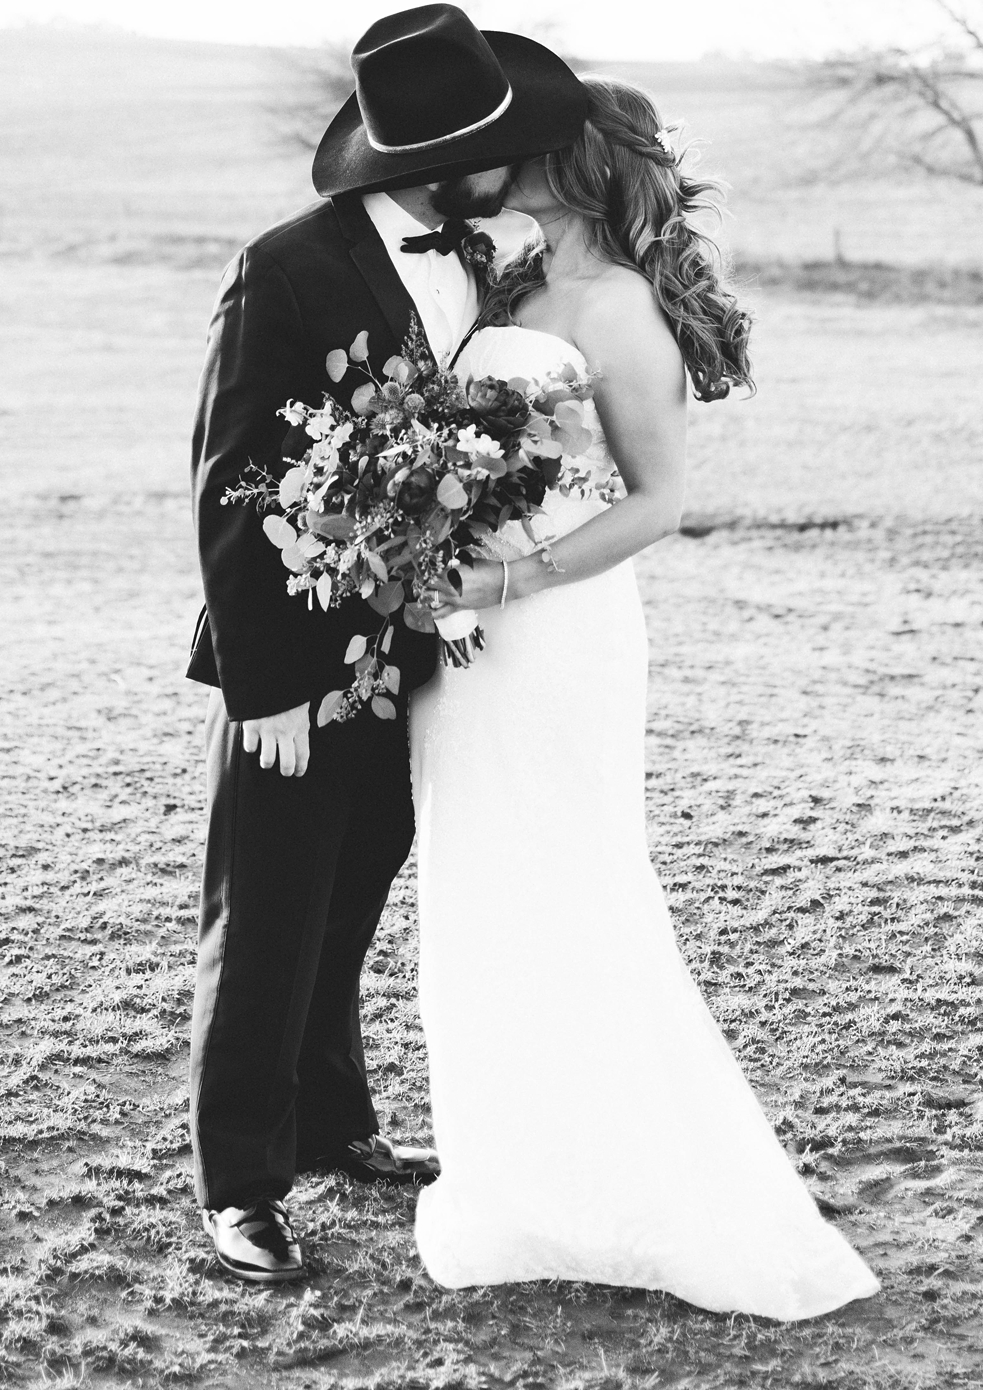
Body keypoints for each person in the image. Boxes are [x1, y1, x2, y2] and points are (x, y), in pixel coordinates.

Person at [411, 78, 880, 1319]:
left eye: (523, 145)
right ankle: (523, 1182)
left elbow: (659, 503)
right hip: (470, 649)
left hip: (556, 634)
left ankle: (656, 1186)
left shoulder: (619, 309)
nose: (497, 157)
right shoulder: (506, 293)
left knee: (575, 882)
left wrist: (508, 573)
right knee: (484, 885)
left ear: (573, 164)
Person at [187, 3, 588, 1282]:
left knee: (351, 899)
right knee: (266, 920)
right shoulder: (287, 266)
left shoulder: (481, 262)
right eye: (500, 147)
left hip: (409, 648)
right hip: (294, 666)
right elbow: (233, 482)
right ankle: (239, 1183)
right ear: (437, 158)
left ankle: (332, 1123)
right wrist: (269, 688)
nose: (517, 167)